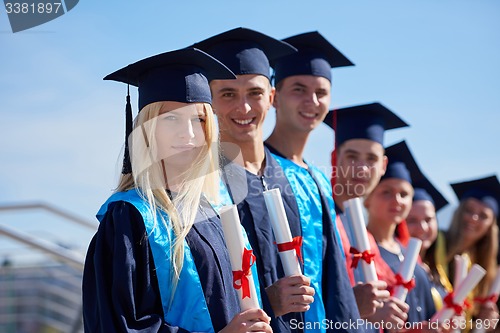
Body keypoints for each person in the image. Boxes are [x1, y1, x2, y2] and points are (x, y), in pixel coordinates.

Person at [82, 47, 272, 333]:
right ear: (146, 129)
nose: (189, 134)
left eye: (198, 119)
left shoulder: (215, 210)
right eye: (170, 119)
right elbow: (121, 325)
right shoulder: (130, 216)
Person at [193, 27, 317, 333]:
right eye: (228, 94)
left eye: (255, 93)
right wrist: (267, 300)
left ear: (272, 97)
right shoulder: (201, 186)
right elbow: (199, 289)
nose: (244, 107)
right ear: (208, 101)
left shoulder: (296, 182)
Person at [264, 30, 368, 330]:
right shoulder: (257, 170)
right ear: (274, 97)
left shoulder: (319, 179)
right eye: (299, 89)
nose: (312, 101)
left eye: (321, 92)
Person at [323, 103, 409, 321]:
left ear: (383, 165)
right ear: (335, 159)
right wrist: (354, 310)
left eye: (371, 159)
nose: (361, 168)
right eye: (352, 157)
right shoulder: (320, 220)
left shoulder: (365, 234)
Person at [364, 142, 438, 330]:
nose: (397, 200)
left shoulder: (414, 259)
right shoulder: (358, 253)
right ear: (367, 198)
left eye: (404, 194)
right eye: (386, 192)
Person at [438, 175, 500, 331]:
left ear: (490, 227)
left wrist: (486, 325)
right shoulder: (434, 246)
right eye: (469, 210)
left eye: (483, 216)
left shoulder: (488, 274)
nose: (473, 218)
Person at [396, 140, 450, 308]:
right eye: (412, 220)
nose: (423, 228)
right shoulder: (396, 265)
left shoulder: (440, 269)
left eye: (428, 220)